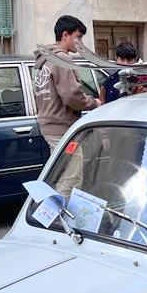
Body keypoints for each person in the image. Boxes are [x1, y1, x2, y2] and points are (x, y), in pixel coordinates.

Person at [33, 16, 102, 198]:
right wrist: (94, 103)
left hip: (49, 127)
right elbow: (72, 96)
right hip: (62, 129)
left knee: (59, 175)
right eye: (78, 37)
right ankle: (57, 221)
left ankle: (52, 217)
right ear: (66, 35)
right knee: (71, 178)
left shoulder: (45, 60)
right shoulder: (62, 59)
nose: (80, 43)